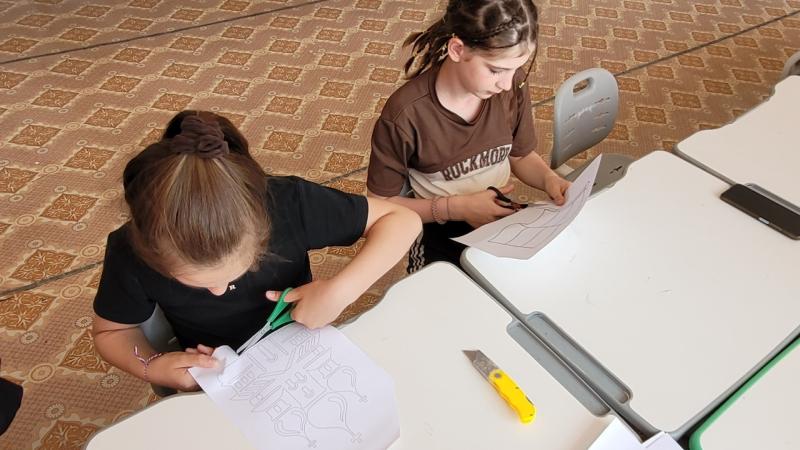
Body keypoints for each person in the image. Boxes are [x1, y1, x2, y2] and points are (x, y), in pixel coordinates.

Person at [92, 111, 421, 391]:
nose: (219, 291)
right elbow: (112, 331)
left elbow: (403, 220)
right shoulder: (130, 250)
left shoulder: (286, 204)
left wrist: (341, 290)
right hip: (221, 380)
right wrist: (152, 366)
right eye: (196, 281)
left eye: (236, 271)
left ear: (263, 229)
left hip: (303, 350)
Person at [367, 0, 570, 272]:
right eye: (496, 70)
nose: (506, 84)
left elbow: (520, 156)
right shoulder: (405, 115)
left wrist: (549, 179)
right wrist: (457, 208)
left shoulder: (512, 83)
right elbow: (380, 205)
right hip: (437, 231)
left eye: (516, 68)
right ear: (457, 49)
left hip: (497, 219)